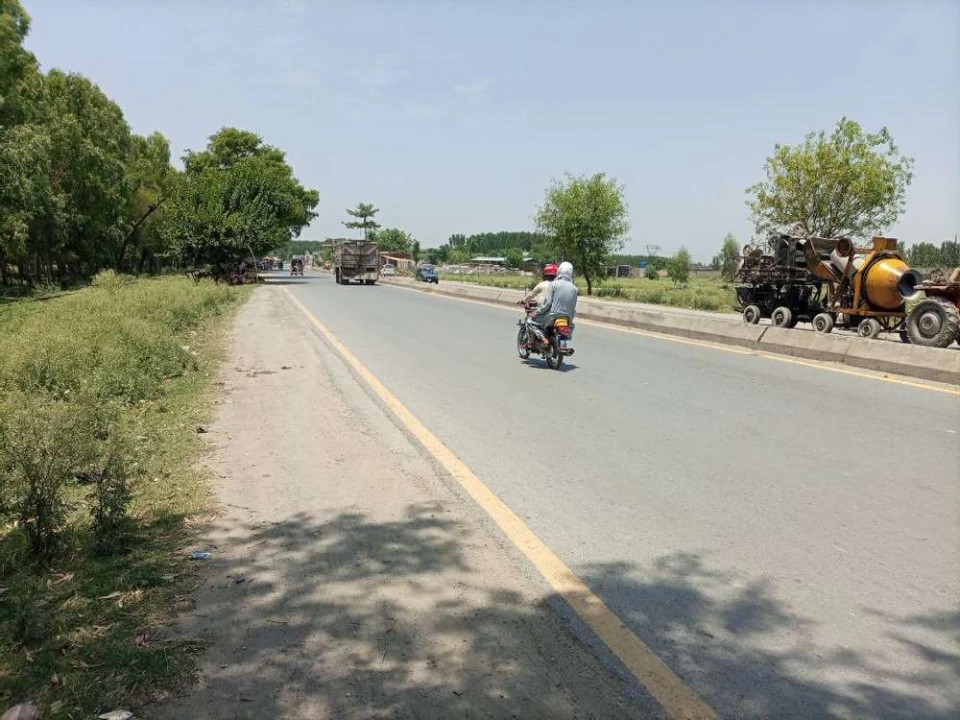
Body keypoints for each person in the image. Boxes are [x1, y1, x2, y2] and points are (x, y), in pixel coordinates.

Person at [527, 261, 578, 343]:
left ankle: (543, 338)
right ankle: (563, 340)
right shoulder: (574, 288)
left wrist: (537, 312)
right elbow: (573, 306)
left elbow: (547, 304)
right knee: (570, 328)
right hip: (568, 318)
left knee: (530, 322)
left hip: (553, 317)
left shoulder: (553, 284)